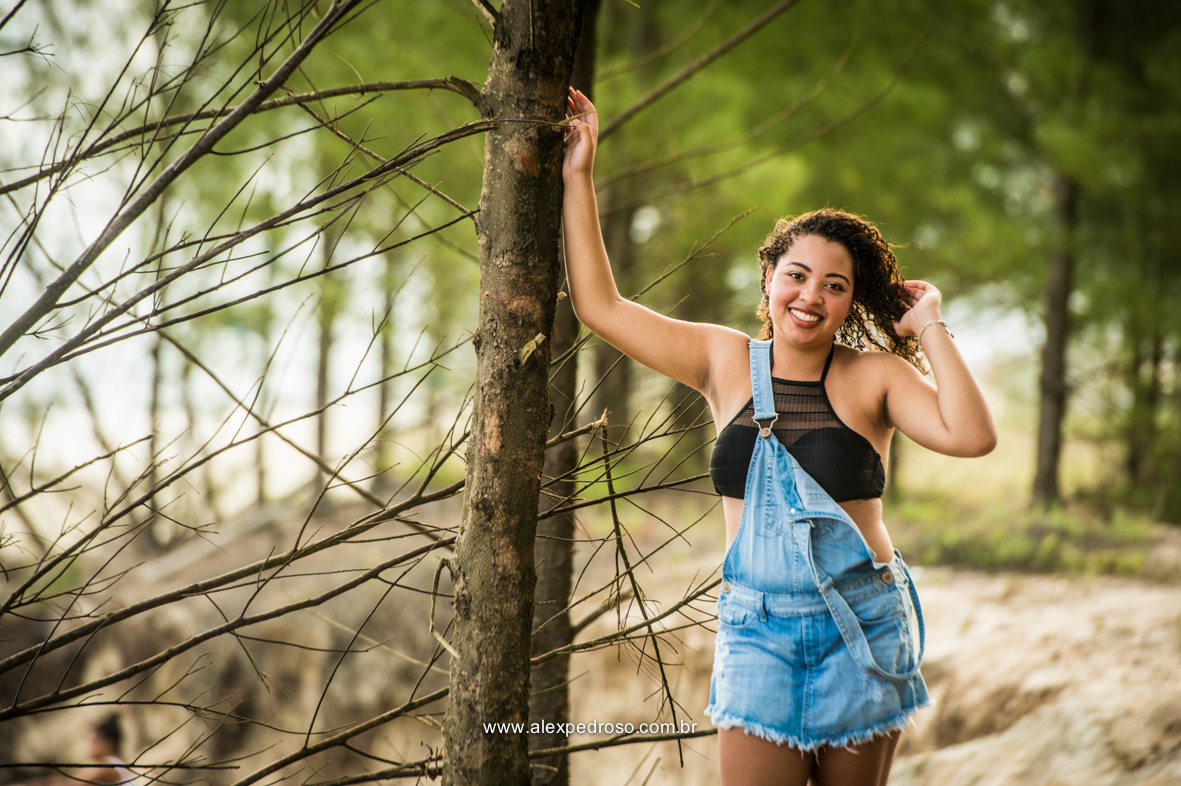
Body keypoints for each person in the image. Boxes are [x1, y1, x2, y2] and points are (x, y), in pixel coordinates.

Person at [560, 88, 996, 786]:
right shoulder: (720, 360)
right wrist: (578, 174)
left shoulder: (874, 378)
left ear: (849, 302)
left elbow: (971, 437)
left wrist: (928, 325)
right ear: (766, 280)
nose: (809, 296)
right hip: (755, 633)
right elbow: (598, 306)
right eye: (795, 276)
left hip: (861, 629)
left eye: (833, 285)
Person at [19, 716, 136, 786]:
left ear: (108, 742)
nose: (87, 747)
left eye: (92, 741)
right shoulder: (119, 763)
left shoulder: (107, 767)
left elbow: (73, 784)